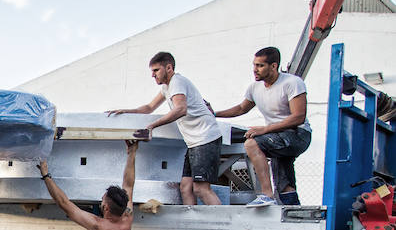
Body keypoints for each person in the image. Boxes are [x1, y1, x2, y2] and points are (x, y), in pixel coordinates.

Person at [108, 51, 222, 206]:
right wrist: (126, 111)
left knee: (201, 189)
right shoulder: (166, 88)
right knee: (185, 188)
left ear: (169, 68)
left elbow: (181, 109)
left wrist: (154, 125)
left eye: (156, 70)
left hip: (205, 137)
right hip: (194, 142)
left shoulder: (177, 82)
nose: (152, 75)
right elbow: (149, 107)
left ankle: (226, 228)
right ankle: (191, 223)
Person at [213, 46, 311, 207]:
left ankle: (266, 195)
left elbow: (298, 117)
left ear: (273, 66)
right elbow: (241, 109)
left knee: (252, 143)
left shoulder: (292, 83)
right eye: (254, 65)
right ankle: (293, 209)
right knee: (283, 180)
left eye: (260, 66)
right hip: (277, 136)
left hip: (298, 135)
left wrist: (264, 129)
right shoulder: (254, 88)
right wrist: (214, 114)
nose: (255, 70)